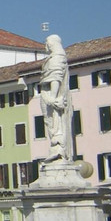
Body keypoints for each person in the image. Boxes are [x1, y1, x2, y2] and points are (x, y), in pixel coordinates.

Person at [39, 34, 72, 162]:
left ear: (51, 44)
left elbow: (55, 77)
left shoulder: (56, 58)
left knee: (54, 121)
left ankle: (58, 149)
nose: (45, 45)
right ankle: (56, 148)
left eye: (46, 42)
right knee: (51, 122)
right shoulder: (55, 57)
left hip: (52, 97)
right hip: (50, 95)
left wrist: (53, 98)